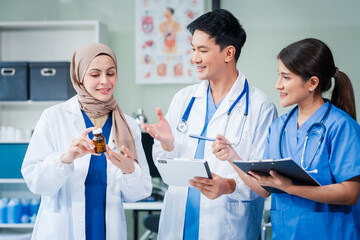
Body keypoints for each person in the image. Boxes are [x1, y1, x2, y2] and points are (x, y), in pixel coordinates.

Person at [141, 9, 277, 240]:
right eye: (193, 49)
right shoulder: (184, 99)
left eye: (203, 50)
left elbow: (264, 184)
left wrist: (229, 186)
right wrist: (166, 145)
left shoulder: (260, 107)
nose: (194, 58)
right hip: (179, 224)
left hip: (227, 226)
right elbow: (167, 170)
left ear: (229, 53)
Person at [213, 38, 360, 239]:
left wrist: (291, 188)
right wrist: (232, 156)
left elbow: (350, 193)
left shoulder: (341, 125)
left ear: (312, 83)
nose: (278, 85)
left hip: (330, 233)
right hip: (285, 233)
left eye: (286, 77)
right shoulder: (279, 127)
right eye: (278, 76)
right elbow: (265, 189)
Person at [21, 43, 152, 240]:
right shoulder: (54, 117)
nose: (104, 81)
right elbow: (36, 182)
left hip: (107, 228)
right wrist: (65, 159)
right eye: (95, 74)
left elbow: (139, 193)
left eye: (110, 73)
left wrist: (129, 170)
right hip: (63, 228)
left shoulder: (128, 125)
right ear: (79, 77)